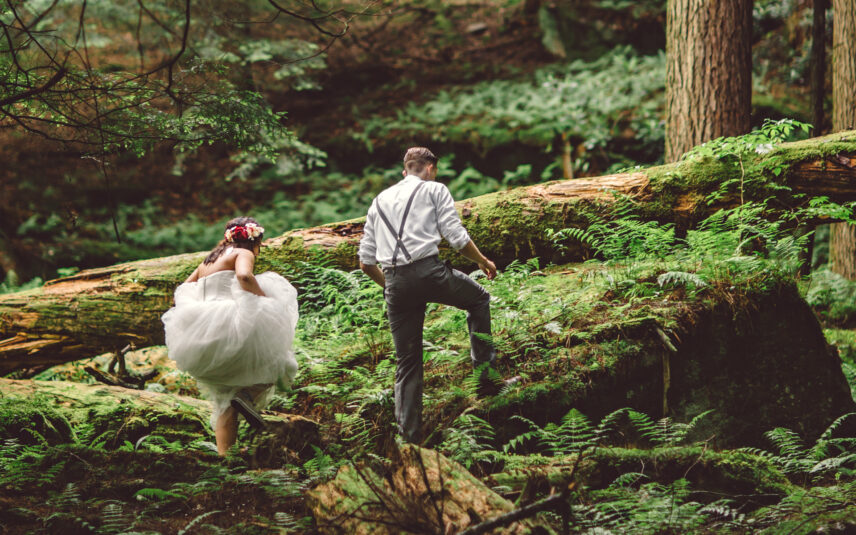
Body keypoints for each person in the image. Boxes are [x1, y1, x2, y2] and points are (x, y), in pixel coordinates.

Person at [359, 147, 514, 444]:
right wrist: (482, 262)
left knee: (407, 362)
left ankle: (410, 441)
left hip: (394, 282)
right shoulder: (435, 189)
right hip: (430, 273)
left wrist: (392, 288)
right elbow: (456, 238)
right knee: (479, 299)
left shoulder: (378, 202)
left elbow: (365, 262)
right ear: (430, 168)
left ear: (406, 170)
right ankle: (486, 384)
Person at [161, 217, 299, 456]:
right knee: (280, 365)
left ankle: (226, 460)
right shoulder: (243, 253)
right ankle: (246, 396)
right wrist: (264, 299)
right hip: (229, 321)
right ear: (255, 240)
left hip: (202, 332)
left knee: (225, 400)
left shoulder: (207, 261)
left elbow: (183, 288)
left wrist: (197, 313)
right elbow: (244, 277)